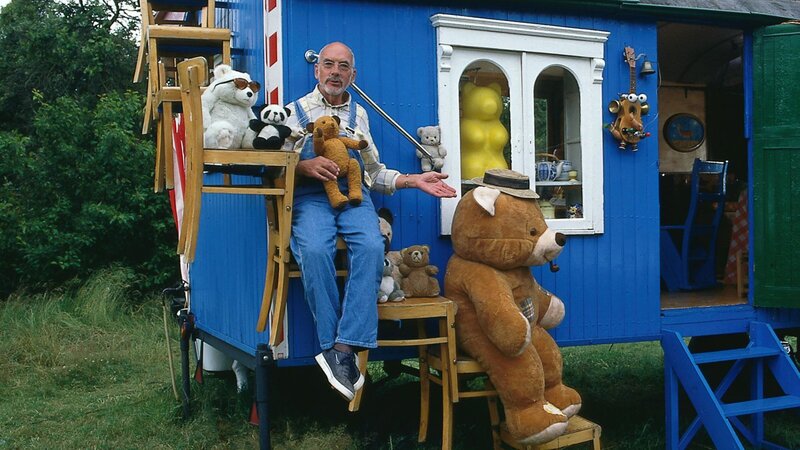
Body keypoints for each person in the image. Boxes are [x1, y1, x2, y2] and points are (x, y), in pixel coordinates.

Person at [281, 42, 456, 401]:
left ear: (352, 75)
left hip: (356, 196)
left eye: (343, 67)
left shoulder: (359, 116)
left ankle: (343, 349)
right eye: (328, 65)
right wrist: (302, 165)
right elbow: (273, 167)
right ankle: (335, 347)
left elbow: (374, 173)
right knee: (314, 250)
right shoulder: (293, 111)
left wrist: (413, 180)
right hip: (311, 196)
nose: (334, 72)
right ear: (317, 71)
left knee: (373, 247)